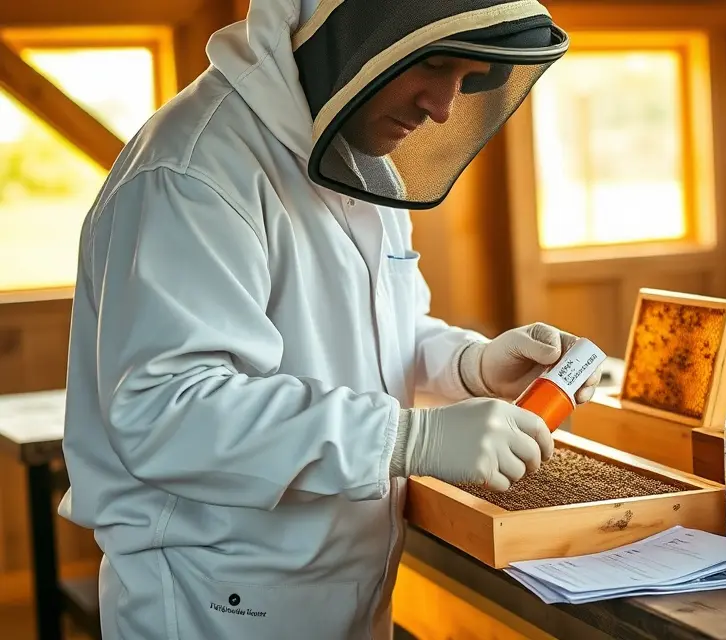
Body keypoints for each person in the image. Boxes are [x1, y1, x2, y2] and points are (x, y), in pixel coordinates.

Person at [56, 0, 592, 637]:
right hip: (215, 604)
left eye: (467, 77)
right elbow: (168, 408)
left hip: (344, 591)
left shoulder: (353, 154)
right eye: (437, 64)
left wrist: (470, 364)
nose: (444, 107)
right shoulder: (194, 170)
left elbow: (382, 332)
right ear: (351, 36)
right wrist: (409, 440)